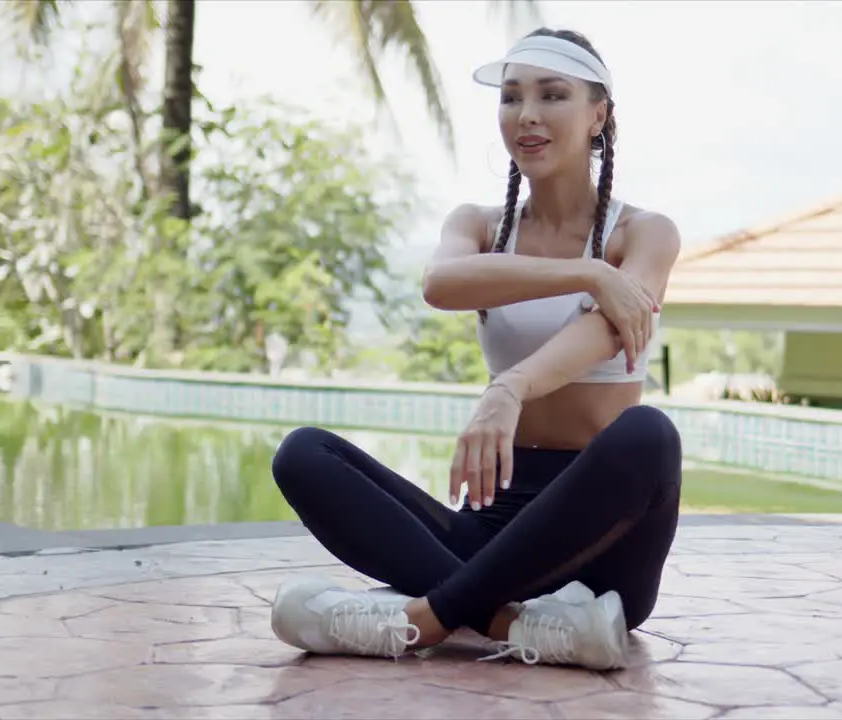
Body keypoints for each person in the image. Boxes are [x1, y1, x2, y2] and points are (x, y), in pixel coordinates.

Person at [268, 27, 683, 672]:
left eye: (553, 95)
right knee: (303, 455)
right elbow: (441, 283)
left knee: (649, 435)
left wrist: (508, 386)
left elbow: (608, 329)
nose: (528, 116)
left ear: (598, 114)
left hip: (603, 545)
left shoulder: (645, 232)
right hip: (493, 530)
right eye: (512, 98)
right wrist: (588, 272)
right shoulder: (479, 225)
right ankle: (514, 624)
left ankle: (421, 622)